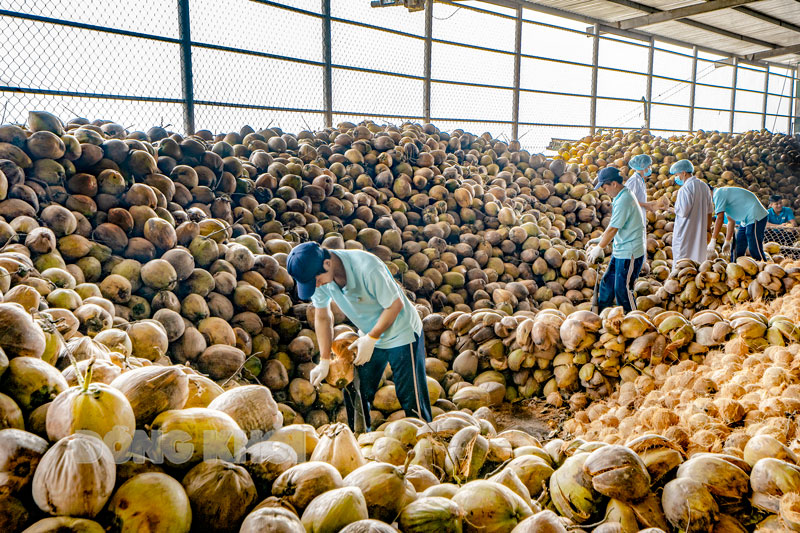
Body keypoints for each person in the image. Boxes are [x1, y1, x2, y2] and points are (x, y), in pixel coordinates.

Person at [286, 242, 432, 430]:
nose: (317, 286)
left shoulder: (367, 267)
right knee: (355, 387)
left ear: (327, 264)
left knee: (412, 397)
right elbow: (323, 316)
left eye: (316, 280)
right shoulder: (319, 275)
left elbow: (395, 306)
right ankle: (360, 437)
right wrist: (323, 360)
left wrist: (372, 338)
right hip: (368, 335)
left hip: (402, 332)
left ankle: (428, 441)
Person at [587, 167, 646, 313]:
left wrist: (600, 247)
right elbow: (616, 226)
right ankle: (602, 313)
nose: (604, 191)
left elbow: (613, 228)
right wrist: (600, 240)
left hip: (629, 252)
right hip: (621, 250)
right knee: (607, 283)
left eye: (605, 187)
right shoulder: (621, 196)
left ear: (614, 184)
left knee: (623, 290)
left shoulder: (624, 200)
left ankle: (633, 319)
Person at [669, 160, 713, 266]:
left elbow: (683, 212)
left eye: (677, 175)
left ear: (684, 173)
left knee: (682, 264)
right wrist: (708, 230)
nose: (676, 178)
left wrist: (668, 208)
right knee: (698, 263)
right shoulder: (704, 186)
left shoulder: (685, 189)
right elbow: (709, 211)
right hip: (700, 233)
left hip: (685, 233)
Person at [708, 186, 769, 261]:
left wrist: (713, 240)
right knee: (738, 244)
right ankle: (735, 264)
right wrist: (727, 241)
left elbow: (720, 218)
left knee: (753, 245)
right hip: (746, 219)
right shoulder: (721, 195)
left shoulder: (718, 194)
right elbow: (731, 221)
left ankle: (763, 265)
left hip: (756, 215)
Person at [626, 154, 668, 250]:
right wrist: (647, 205)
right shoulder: (634, 181)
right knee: (634, 247)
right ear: (642, 166)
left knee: (639, 246)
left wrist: (649, 205)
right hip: (633, 219)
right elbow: (628, 201)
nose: (650, 168)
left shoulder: (640, 180)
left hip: (639, 217)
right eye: (648, 166)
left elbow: (637, 200)